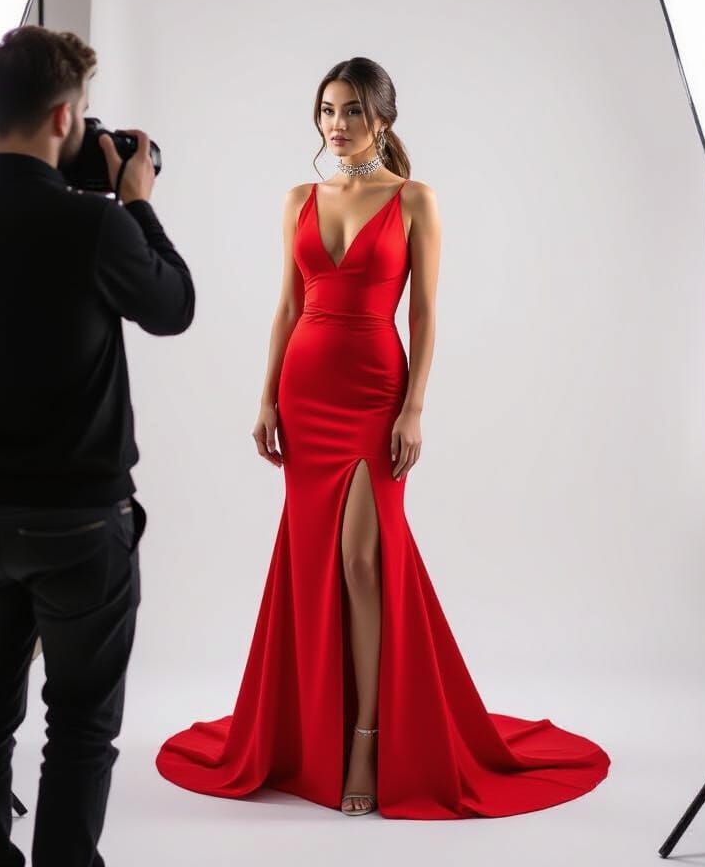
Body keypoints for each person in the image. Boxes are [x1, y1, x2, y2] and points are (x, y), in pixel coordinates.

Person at [156, 56, 609, 818]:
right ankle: (315, 732)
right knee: (314, 563)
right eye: (328, 110)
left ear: (384, 119)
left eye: (353, 111)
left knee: (364, 561)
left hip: (374, 394)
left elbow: (425, 312)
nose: (337, 125)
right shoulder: (299, 199)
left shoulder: (415, 200)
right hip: (305, 392)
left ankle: (367, 736)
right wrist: (265, 398)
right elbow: (287, 307)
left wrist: (414, 408)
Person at [0, 25, 194, 866]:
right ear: (66, 116)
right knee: (79, 723)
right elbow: (173, 306)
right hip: (79, 519)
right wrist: (136, 199)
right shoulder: (93, 227)